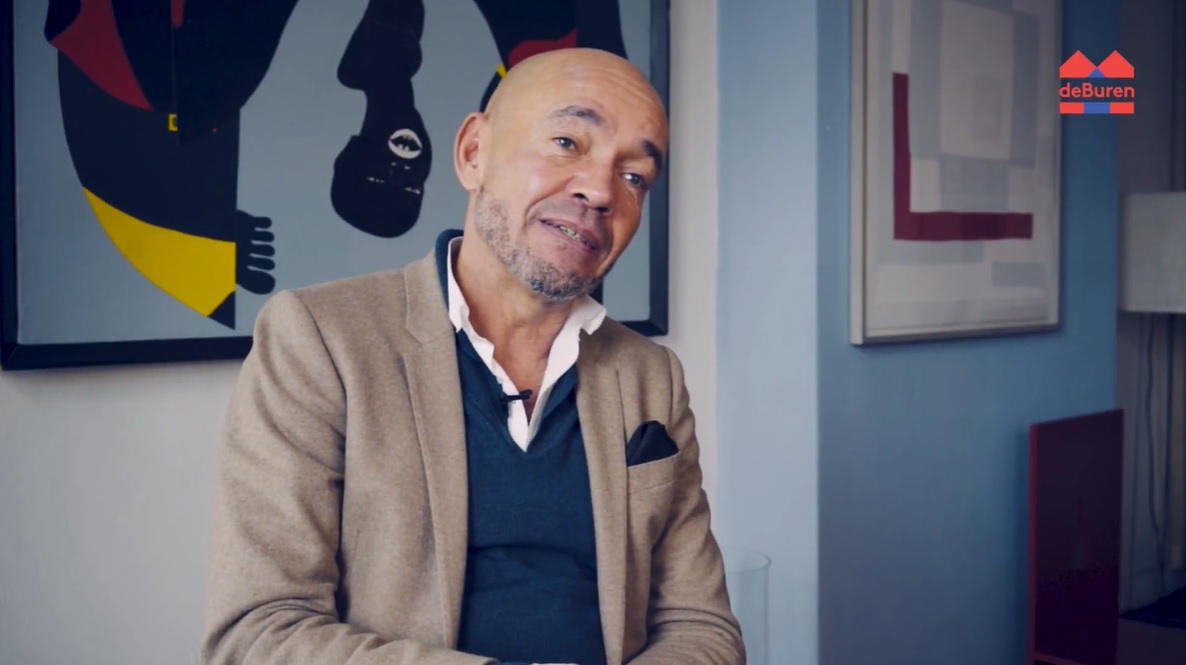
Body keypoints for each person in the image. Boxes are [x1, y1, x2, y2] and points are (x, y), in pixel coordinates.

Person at [198, 47, 744, 665]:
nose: (599, 190)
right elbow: (258, 634)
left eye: (634, 176)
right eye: (567, 142)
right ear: (473, 153)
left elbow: (701, 626)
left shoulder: (650, 375)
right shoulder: (319, 339)